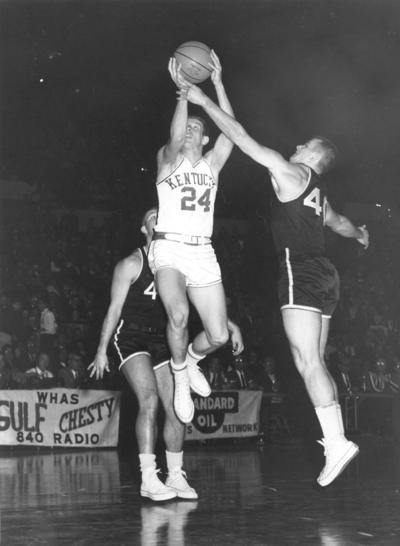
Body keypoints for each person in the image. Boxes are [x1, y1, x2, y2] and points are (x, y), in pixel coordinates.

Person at [180, 81, 369, 487]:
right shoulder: (320, 194)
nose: (297, 145)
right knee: (315, 360)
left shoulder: (292, 172)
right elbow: (339, 224)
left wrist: (203, 99)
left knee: (308, 362)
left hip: (299, 270)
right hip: (326, 273)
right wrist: (361, 236)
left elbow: (241, 138)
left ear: (314, 155)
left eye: (305, 145)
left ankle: (337, 443)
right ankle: (335, 439)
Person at [89, 208, 244, 501]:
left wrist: (230, 325)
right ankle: (149, 476)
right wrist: (100, 350)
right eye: (151, 215)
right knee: (148, 400)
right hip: (131, 338)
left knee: (176, 406)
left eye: (163, 213)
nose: (159, 216)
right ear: (144, 228)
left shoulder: (176, 266)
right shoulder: (131, 264)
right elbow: (113, 310)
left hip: (162, 339)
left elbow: (202, 303)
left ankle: (175, 474)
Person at [148, 51, 235, 425]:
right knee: (179, 314)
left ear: (205, 137)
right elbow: (172, 134)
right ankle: (180, 376)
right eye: (186, 127)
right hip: (169, 247)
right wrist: (183, 94)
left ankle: (193, 360)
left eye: (196, 128)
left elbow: (232, 130)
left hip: (203, 252)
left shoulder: (212, 164)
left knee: (218, 336)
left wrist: (216, 84)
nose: (188, 131)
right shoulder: (167, 160)